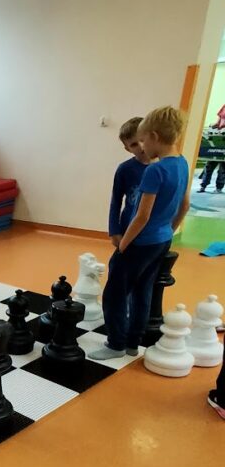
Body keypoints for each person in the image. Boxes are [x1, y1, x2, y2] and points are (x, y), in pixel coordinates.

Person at [91, 106, 190, 361]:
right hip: (162, 240)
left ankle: (116, 344)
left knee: (114, 293)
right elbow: (185, 205)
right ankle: (132, 344)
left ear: (154, 136)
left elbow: (142, 216)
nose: (142, 147)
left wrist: (124, 244)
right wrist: (168, 231)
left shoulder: (155, 170)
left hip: (140, 241)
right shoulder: (182, 162)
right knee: (144, 291)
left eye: (143, 140)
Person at [108, 116, 150, 248]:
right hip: (128, 228)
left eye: (142, 140)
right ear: (128, 149)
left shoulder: (163, 167)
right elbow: (116, 201)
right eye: (134, 144)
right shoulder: (124, 169)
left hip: (152, 232)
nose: (141, 147)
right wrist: (114, 230)